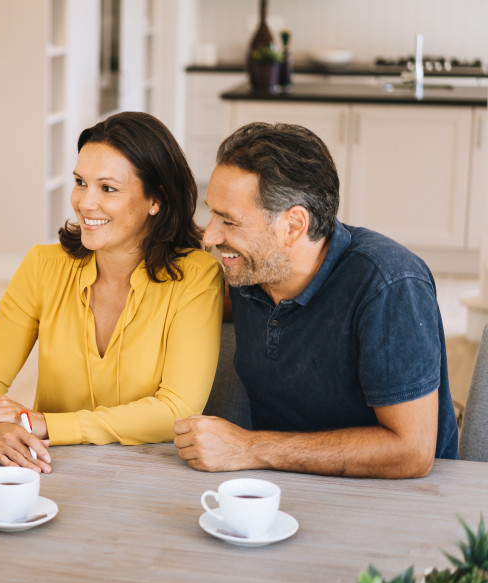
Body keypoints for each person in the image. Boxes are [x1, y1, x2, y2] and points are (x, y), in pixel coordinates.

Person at [173, 122, 459, 478]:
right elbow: (189, 304)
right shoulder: (250, 274)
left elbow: (411, 452)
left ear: (293, 226)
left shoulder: (389, 286)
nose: (210, 236)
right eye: (212, 212)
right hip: (279, 487)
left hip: (401, 498)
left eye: (229, 222)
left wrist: (248, 447)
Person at [0, 112, 223, 473]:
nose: (84, 202)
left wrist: (47, 423)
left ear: (155, 200)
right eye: (80, 182)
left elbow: (177, 409)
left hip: (151, 476)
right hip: (49, 468)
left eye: (107, 188)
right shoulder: (43, 266)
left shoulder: (196, 276)